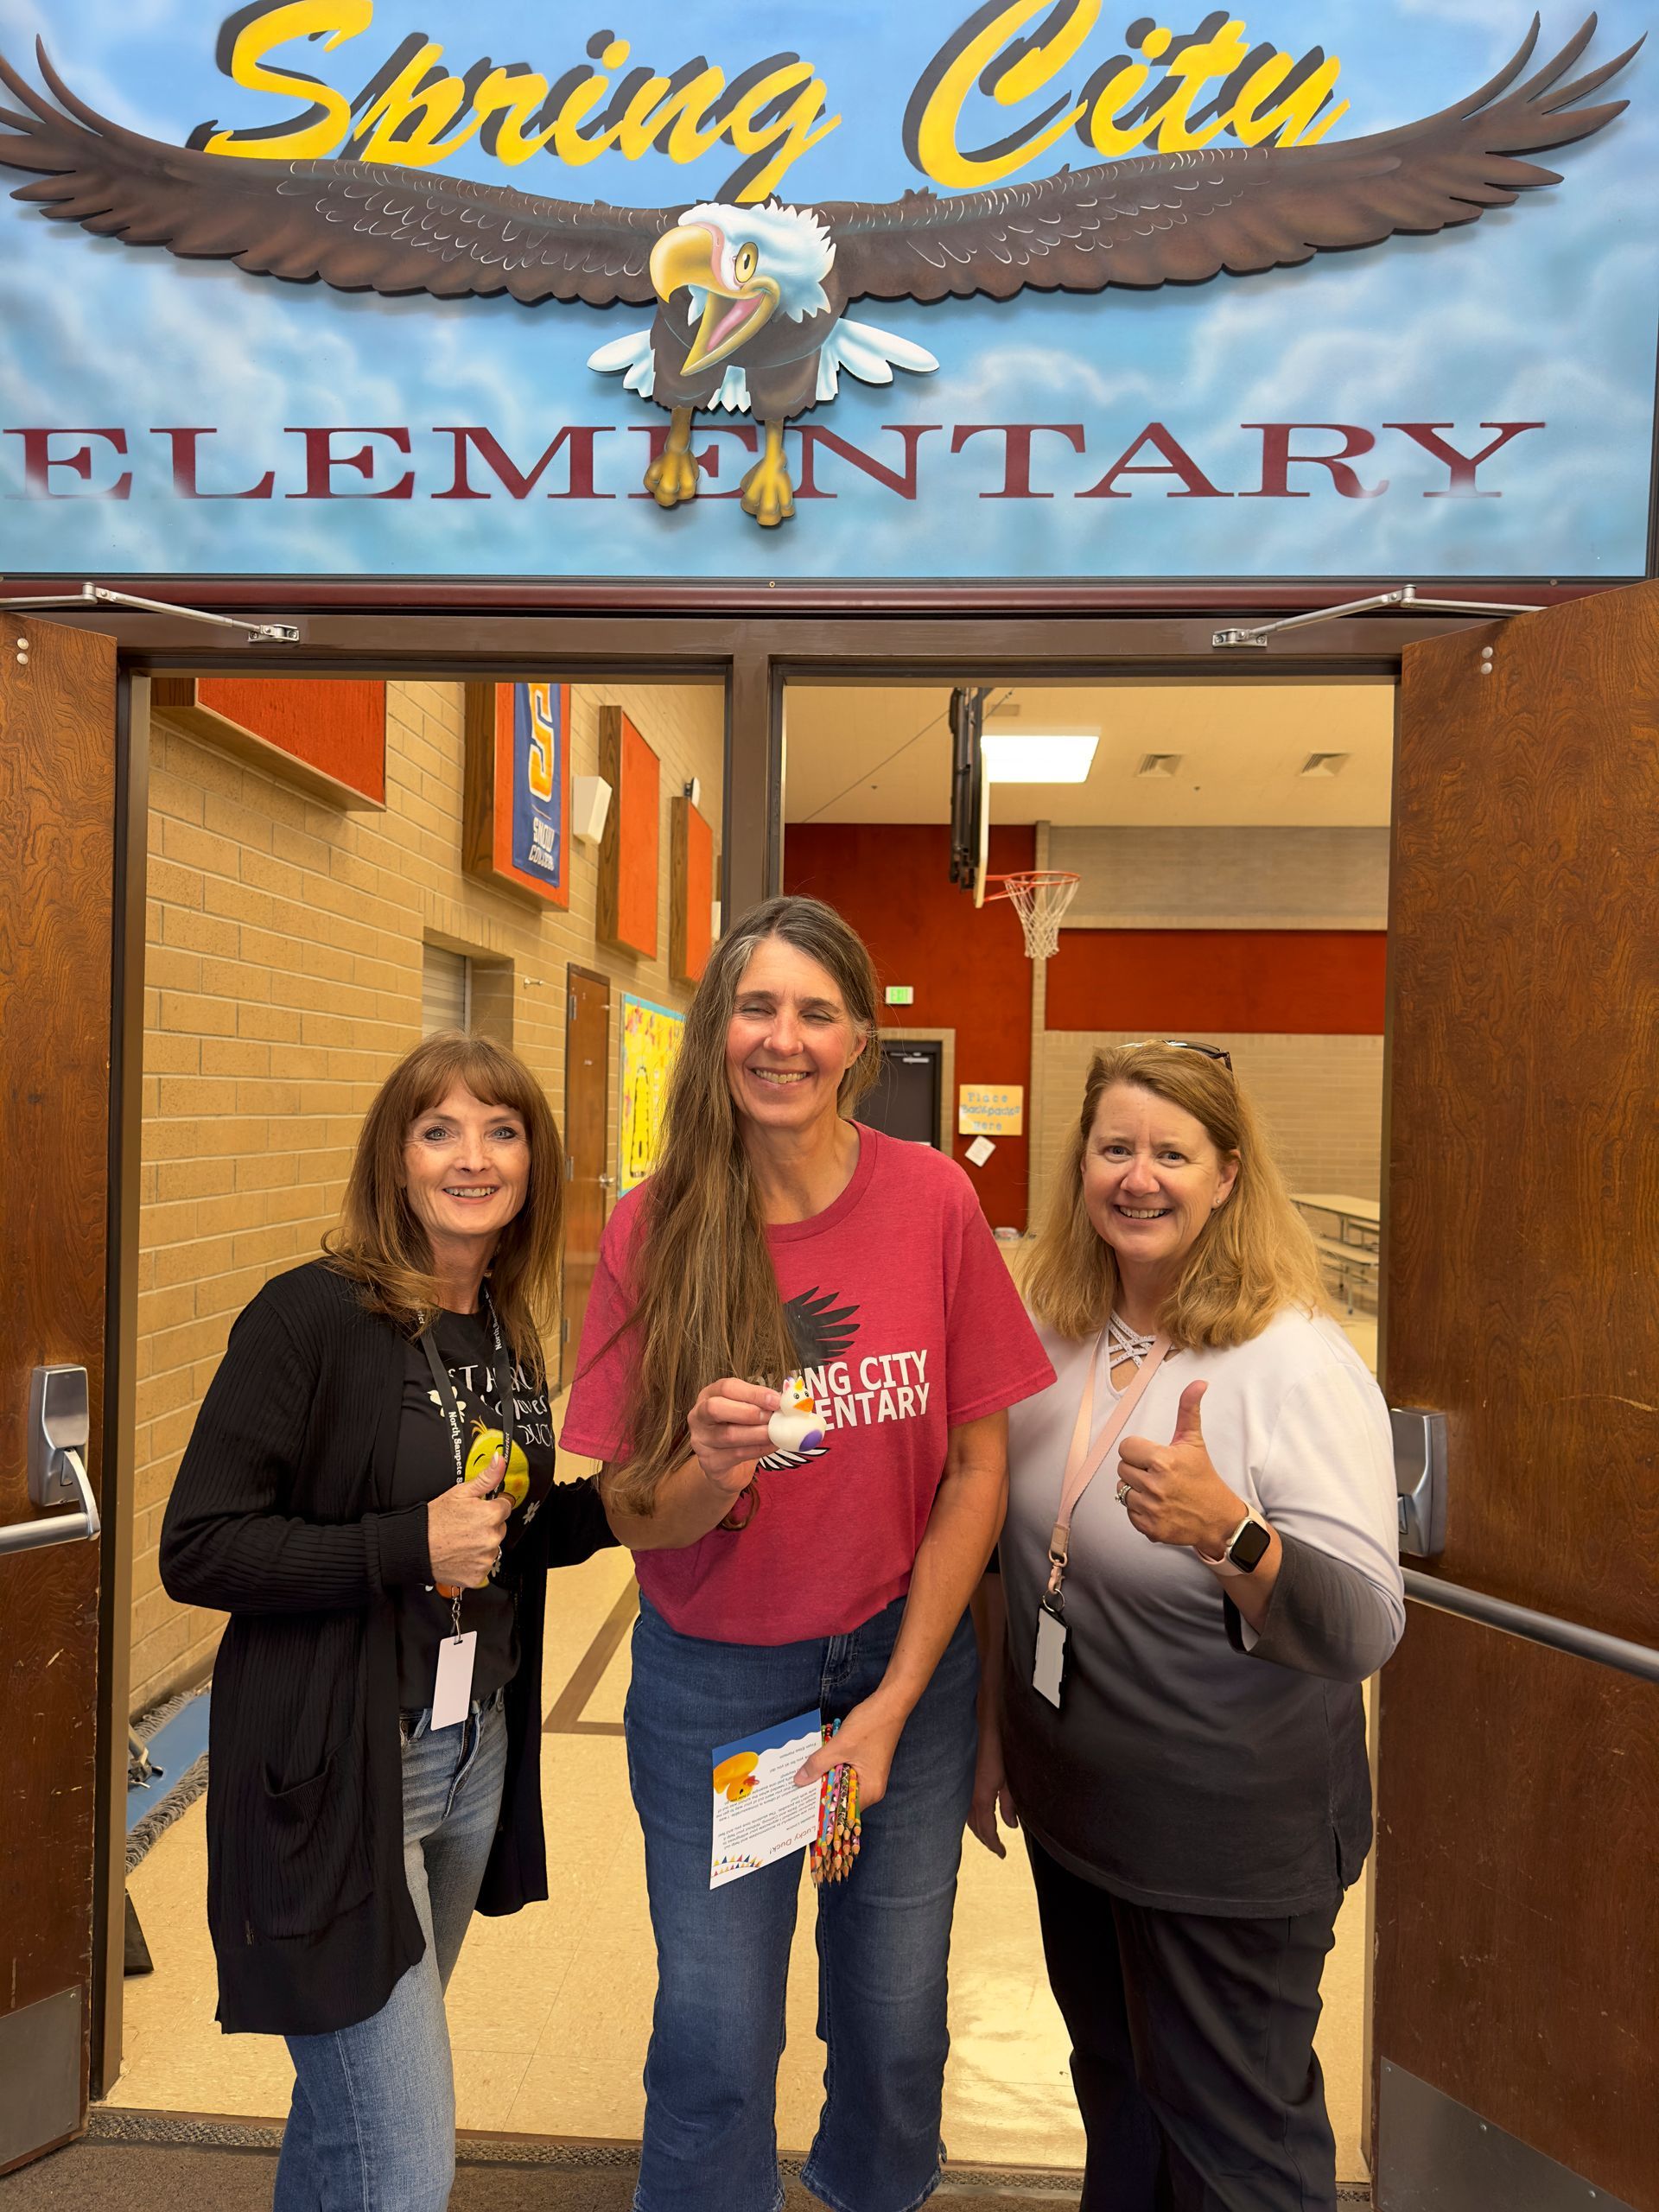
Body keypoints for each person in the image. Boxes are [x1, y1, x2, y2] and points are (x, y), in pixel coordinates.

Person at [561, 894, 1054, 2212]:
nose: (782, 1038)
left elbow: (978, 1468)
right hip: (721, 1685)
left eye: (814, 1012)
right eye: (757, 1007)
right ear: (719, 1027)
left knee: (894, 2036)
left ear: (859, 1042)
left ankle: (867, 2192)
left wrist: (899, 1699)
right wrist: (703, 1471)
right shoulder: (653, 1227)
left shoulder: (933, 1201)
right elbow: (627, 1509)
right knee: (719, 2042)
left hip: (907, 1667)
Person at [159, 1033, 619, 2212]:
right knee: (403, 2170)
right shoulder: (309, 1318)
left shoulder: (503, 1332)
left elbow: (503, 1533)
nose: (475, 1157)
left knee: (349, 2121)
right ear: (395, 1158)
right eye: (440, 1130)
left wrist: (632, 1503)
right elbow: (198, 1545)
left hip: (470, 1760)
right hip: (340, 1770)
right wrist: (401, 1546)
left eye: (503, 1130)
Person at [971, 1040, 1403, 2212]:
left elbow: (1364, 1628)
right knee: (1118, 2096)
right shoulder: (1051, 1330)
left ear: (1226, 1175)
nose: (1139, 1177)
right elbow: (1007, 1556)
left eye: (1173, 1153)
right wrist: (991, 1729)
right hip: (1079, 1813)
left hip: (1229, 1845)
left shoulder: (1292, 1359)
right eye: (1116, 1148)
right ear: (1081, 1168)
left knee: (1233, 2147)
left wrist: (1233, 1537)